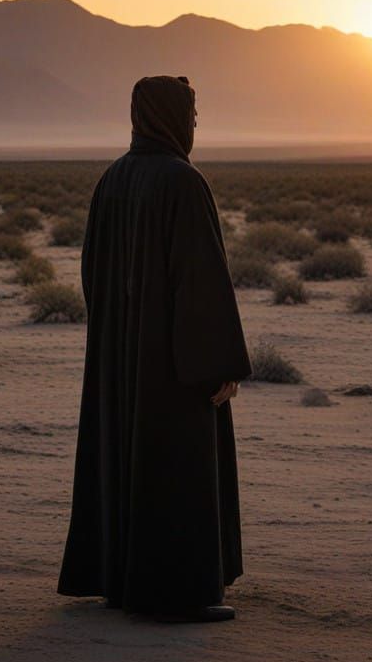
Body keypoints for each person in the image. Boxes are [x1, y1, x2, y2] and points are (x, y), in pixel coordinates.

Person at [58, 75, 251, 622]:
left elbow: (92, 275)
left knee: (125, 460)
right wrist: (217, 364)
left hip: (121, 355)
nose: (195, 125)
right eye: (191, 114)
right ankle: (176, 593)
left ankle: (123, 582)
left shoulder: (112, 179)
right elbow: (199, 280)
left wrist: (118, 337)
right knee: (176, 464)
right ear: (172, 117)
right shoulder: (182, 182)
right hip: (172, 362)